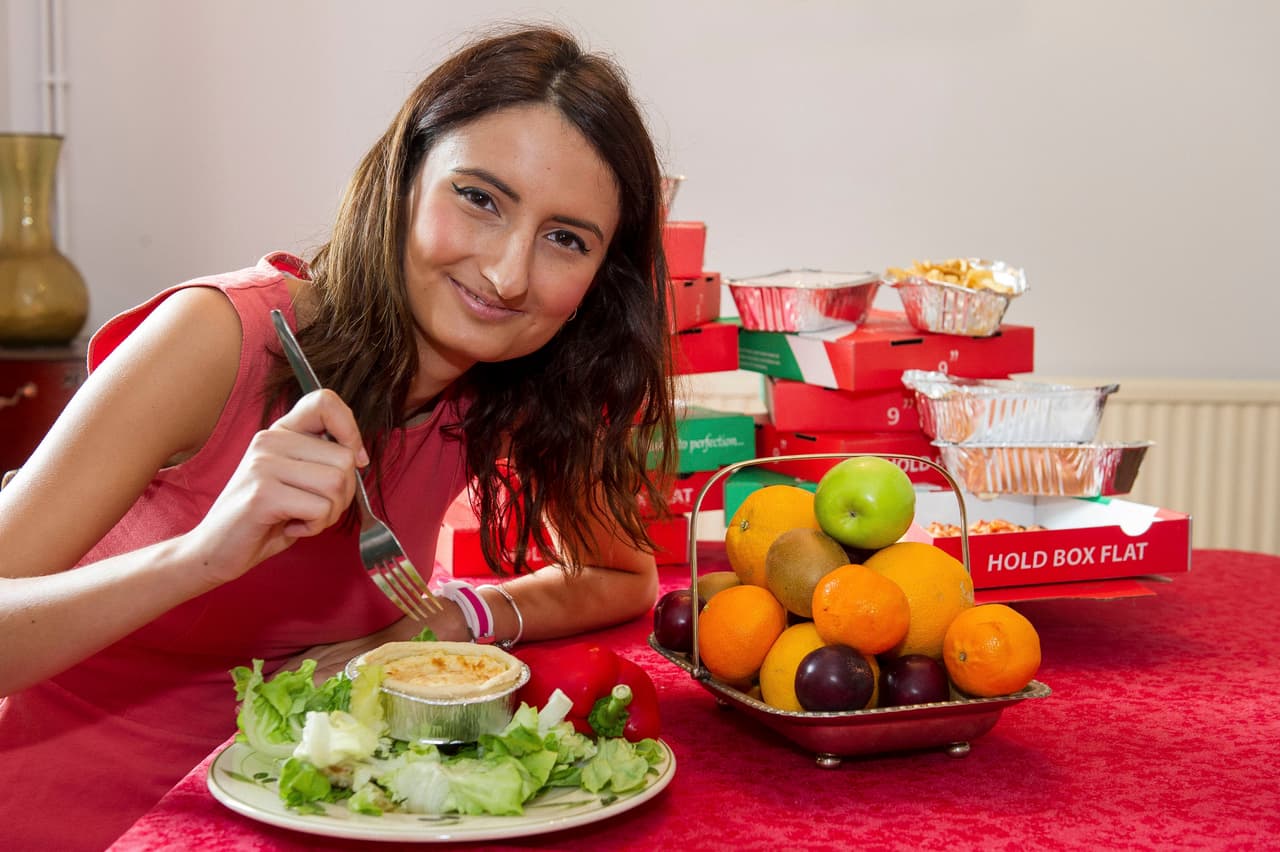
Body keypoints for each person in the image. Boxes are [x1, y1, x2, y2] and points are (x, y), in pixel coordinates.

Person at [0, 24, 677, 850]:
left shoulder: (505, 378)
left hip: (321, 812)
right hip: (84, 820)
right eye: (479, 198)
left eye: (565, 238)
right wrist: (203, 557)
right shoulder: (216, 341)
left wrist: (447, 618)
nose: (507, 274)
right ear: (403, 178)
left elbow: (619, 576)